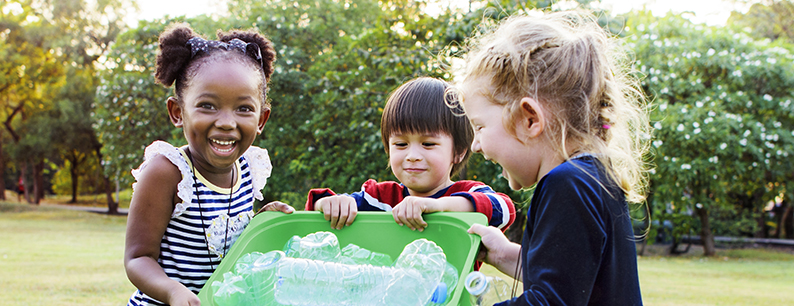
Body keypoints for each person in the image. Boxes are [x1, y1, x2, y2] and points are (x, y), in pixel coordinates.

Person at [457, 11, 650, 305]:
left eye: (480, 127)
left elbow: (549, 300)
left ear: (529, 119)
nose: (476, 145)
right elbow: (568, 276)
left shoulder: (567, 184)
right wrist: (503, 253)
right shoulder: (591, 177)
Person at [124, 24, 293, 306]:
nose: (226, 122)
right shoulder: (167, 172)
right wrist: (172, 291)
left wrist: (259, 224)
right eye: (208, 106)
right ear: (178, 112)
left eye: (243, 109)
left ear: (261, 119)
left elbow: (227, 249)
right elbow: (138, 258)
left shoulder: (249, 169)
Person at [305, 77, 515, 234]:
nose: (412, 155)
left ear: (458, 151)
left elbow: (505, 209)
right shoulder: (380, 199)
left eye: (428, 144)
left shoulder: (466, 193)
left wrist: (438, 206)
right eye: (401, 144)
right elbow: (318, 208)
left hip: (453, 294)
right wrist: (330, 204)